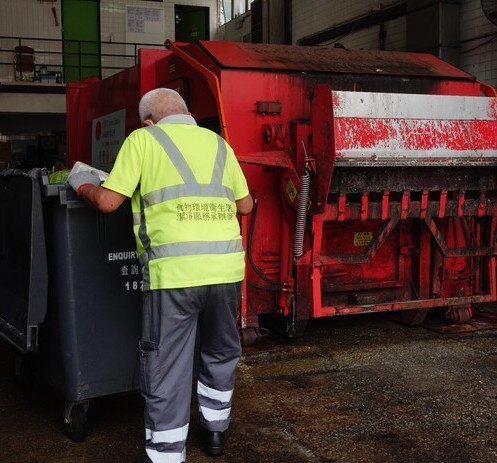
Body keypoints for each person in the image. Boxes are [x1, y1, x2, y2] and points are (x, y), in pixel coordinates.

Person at [67, 88, 253, 463]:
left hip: (173, 275)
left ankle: (168, 456)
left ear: (148, 120)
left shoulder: (143, 140)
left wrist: (81, 182)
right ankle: (215, 434)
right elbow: (246, 205)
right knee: (219, 352)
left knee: (167, 366)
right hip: (227, 272)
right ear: (185, 113)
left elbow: (108, 202)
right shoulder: (218, 143)